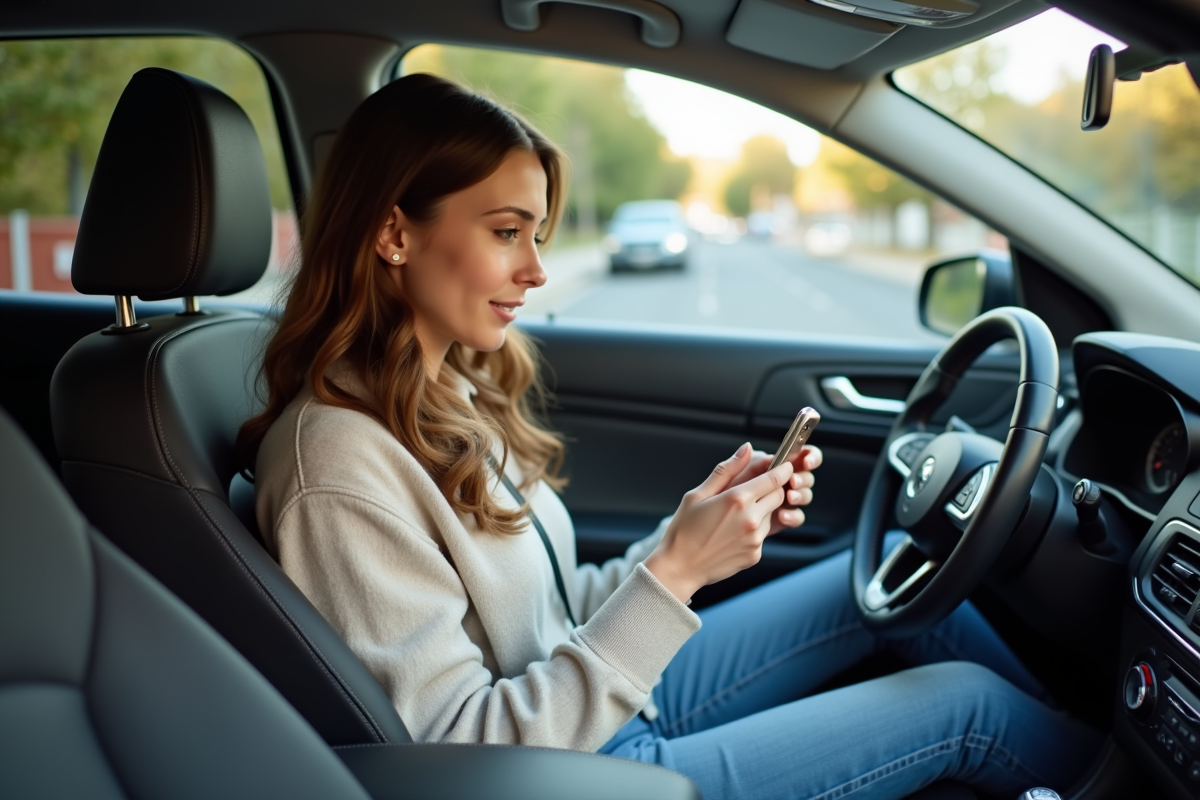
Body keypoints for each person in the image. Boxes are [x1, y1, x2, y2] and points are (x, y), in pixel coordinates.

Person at [238, 73, 1099, 800]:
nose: (536, 269)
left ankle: (1093, 748)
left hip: (599, 702)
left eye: (536, 235)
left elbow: (554, 612)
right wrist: (677, 574)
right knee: (965, 707)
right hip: (582, 769)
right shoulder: (339, 464)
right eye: (507, 233)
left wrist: (686, 536)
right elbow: (465, 753)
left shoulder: (442, 389)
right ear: (394, 233)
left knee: (868, 585)